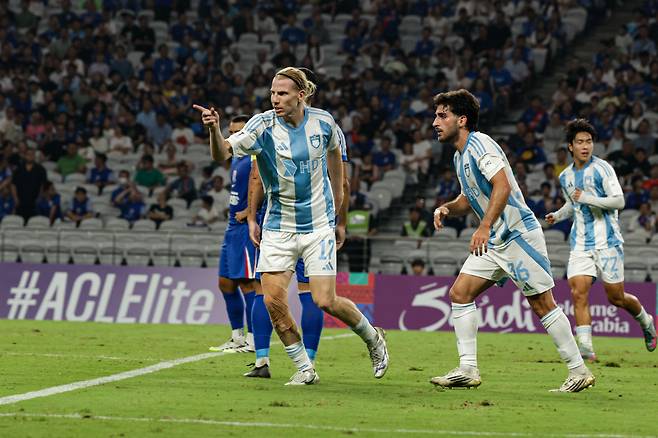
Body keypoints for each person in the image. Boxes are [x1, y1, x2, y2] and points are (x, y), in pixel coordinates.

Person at [194, 67, 388, 385]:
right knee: (272, 300)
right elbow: (223, 153)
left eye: (282, 93)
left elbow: (338, 172)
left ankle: (373, 337)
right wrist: (214, 130)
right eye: (272, 92)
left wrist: (337, 217)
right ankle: (304, 368)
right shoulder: (262, 125)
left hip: (318, 226)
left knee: (325, 300)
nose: (275, 99)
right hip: (278, 226)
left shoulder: (324, 122)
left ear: (301, 95)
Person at [430, 89, 594, 392]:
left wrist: (484, 226)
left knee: (542, 303)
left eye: (443, 115)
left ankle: (579, 371)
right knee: (460, 293)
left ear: (462, 120)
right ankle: (467, 369)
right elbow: (468, 198)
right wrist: (448, 208)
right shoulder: (459, 155)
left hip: (517, 234)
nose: (435, 122)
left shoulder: (481, 145)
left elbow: (502, 186)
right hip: (494, 241)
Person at [546, 119, 657, 361]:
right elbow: (572, 203)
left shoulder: (603, 168)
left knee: (616, 297)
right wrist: (558, 215)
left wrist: (588, 198)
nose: (585, 146)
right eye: (580, 142)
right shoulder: (565, 176)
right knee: (578, 292)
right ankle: (586, 348)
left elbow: (619, 201)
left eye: (589, 141)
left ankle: (646, 321)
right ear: (570, 146)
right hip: (580, 243)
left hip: (608, 242)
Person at [206, 115, 260, 355]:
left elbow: (269, 185)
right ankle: (237, 337)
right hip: (232, 228)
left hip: (246, 227)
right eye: (231, 132)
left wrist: (249, 212)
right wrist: (213, 129)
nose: (234, 136)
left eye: (239, 132)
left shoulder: (257, 155)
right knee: (225, 283)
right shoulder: (236, 155)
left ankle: (253, 340)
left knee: (248, 283)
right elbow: (218, 152)